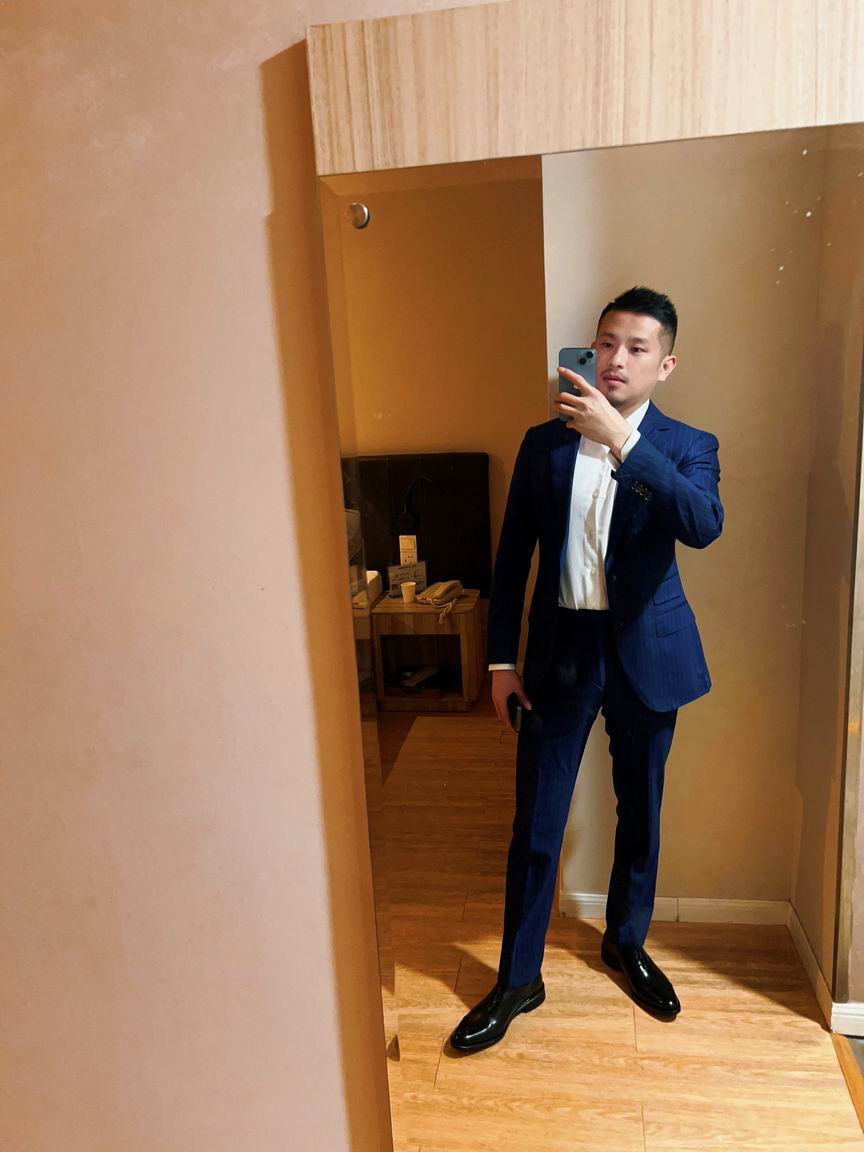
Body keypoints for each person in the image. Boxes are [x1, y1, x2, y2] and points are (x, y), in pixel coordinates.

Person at [449, 286, 723, 1053]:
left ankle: (625, 942)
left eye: (636, 348)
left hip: (646, 657)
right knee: (536, 822)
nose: (615, 360)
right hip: (560, 652)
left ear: (665, 364)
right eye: (605, 343)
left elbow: (703, 523)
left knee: (641, 812)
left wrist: (623, 442)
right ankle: (518, 978)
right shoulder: (544, 444)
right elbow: (512, 560)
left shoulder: (688, 445)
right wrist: (500, 661)